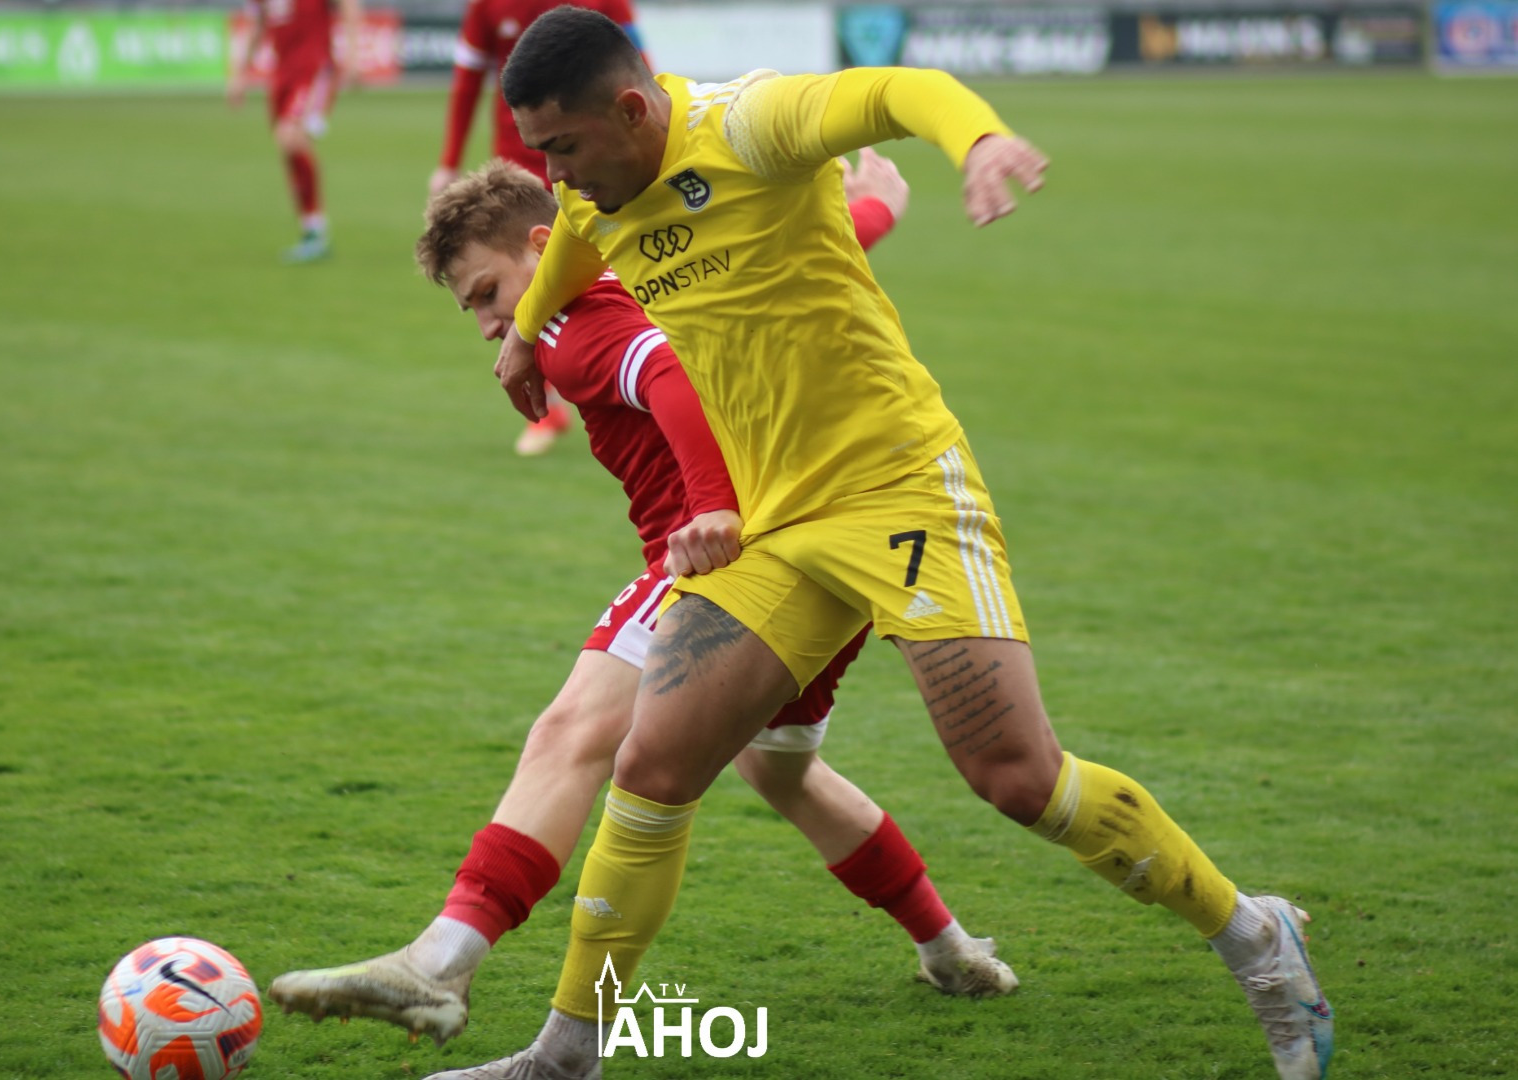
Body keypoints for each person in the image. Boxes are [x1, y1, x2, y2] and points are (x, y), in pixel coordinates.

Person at [422, 8, 1334, 1080]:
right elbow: (576, 235)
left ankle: (1256, 938)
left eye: (564, 146)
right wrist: (526, 336)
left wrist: (978, 140)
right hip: (775, 521)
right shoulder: (593, 191)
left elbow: (902, 90)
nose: (552, 173)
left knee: (1016, 778)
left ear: (631, 110)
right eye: (540, 151)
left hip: (897, 488)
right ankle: (566, 1055)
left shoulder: (753, 122)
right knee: (653, 765)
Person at [264, 153, 1017, 1045]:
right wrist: (876, 213)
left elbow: (663, 370)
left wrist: (707, 506)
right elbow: (780, 271)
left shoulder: (572, 326)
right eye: (472, 308)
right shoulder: (652, 256)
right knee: (777, 767)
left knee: (571, 731)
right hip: (827, 538)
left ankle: (438, 965)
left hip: (722, 555)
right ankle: (948, 948)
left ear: (542, 245)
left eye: (487, 293)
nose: (488, 322)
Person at [429, 0, 646, 456]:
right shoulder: (487, 6)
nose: (484, 329)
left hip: (591, 165)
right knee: (512, 287)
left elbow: (635, 65)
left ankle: (628, 380)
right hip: (518, 176)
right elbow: (467, 79)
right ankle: (547, 409)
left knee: (613, 271)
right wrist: (449, 160)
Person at [228, 0, 362, 263]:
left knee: (290, 137)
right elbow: (258, 24)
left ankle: (316, 233)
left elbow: (349, 5)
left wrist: (353, 56)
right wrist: (240, 74)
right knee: (287, 146)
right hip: (281, 76)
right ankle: (311, 229)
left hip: (314, 69)